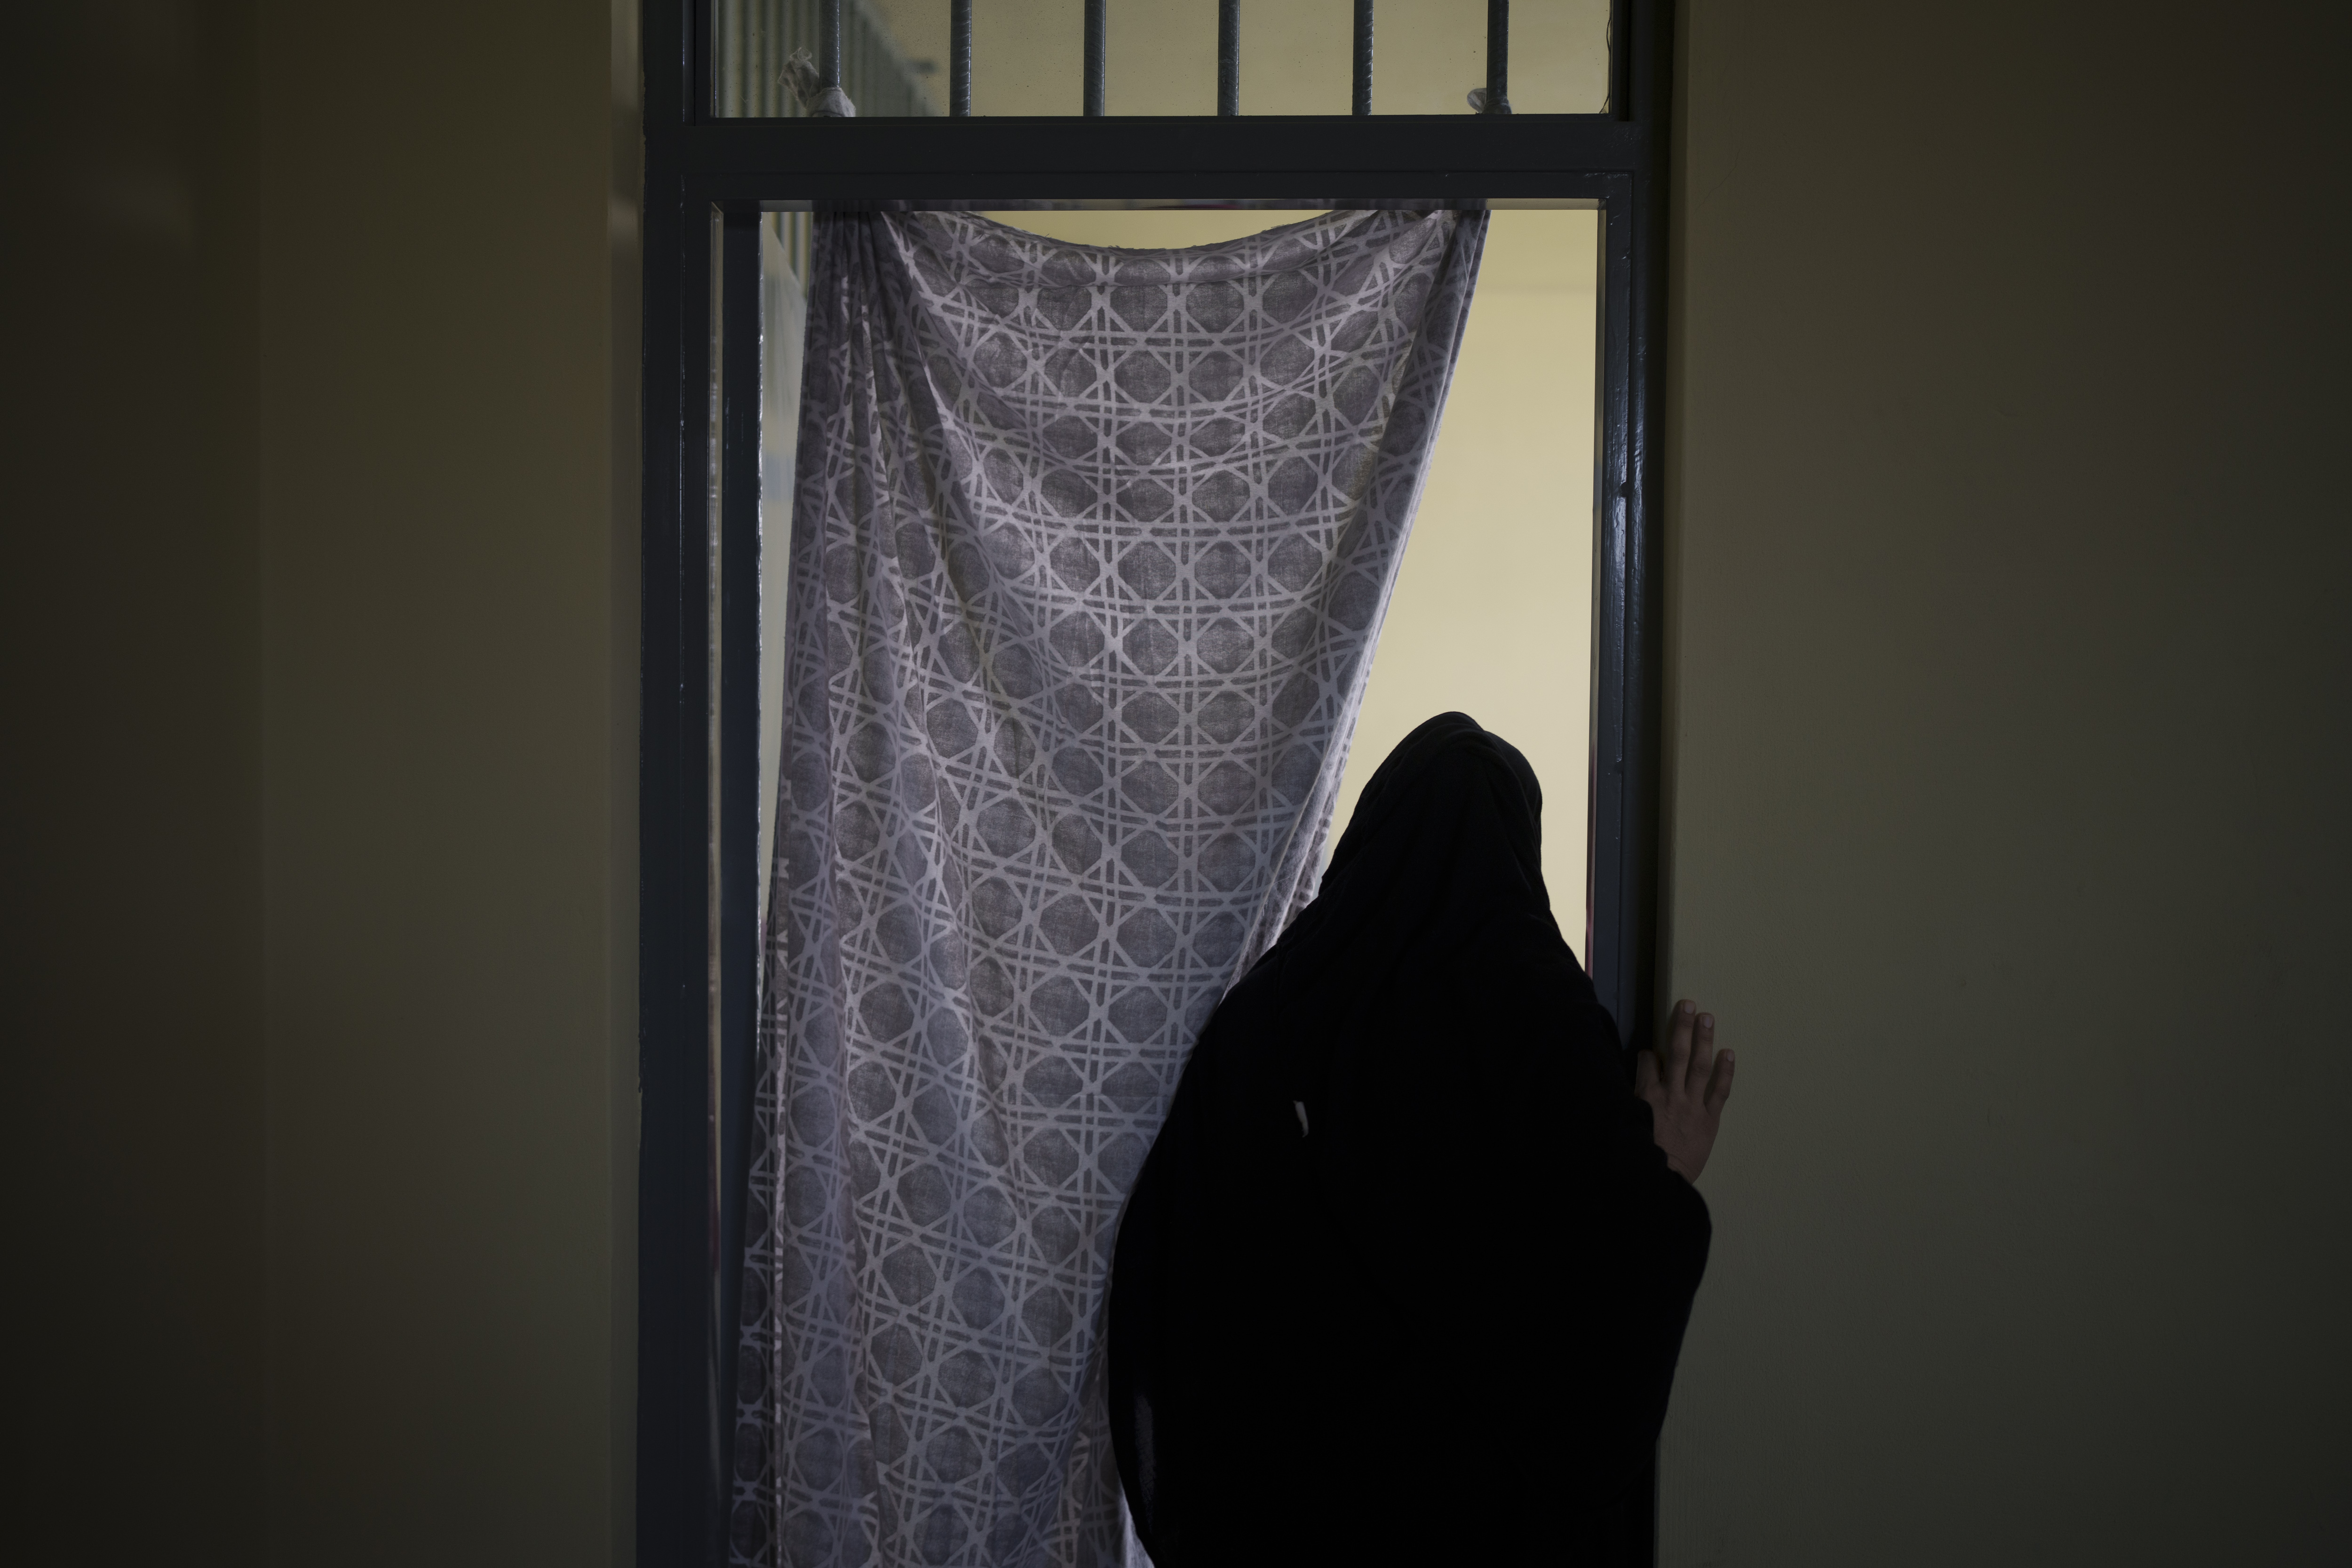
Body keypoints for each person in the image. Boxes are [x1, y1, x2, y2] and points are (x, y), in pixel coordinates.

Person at [1107, 713, 1733, 1566]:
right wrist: (1663, 1184)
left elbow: (1176, 1294)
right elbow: (1590, 1398)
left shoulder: (1270, 1019)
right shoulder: (1544, 1028)